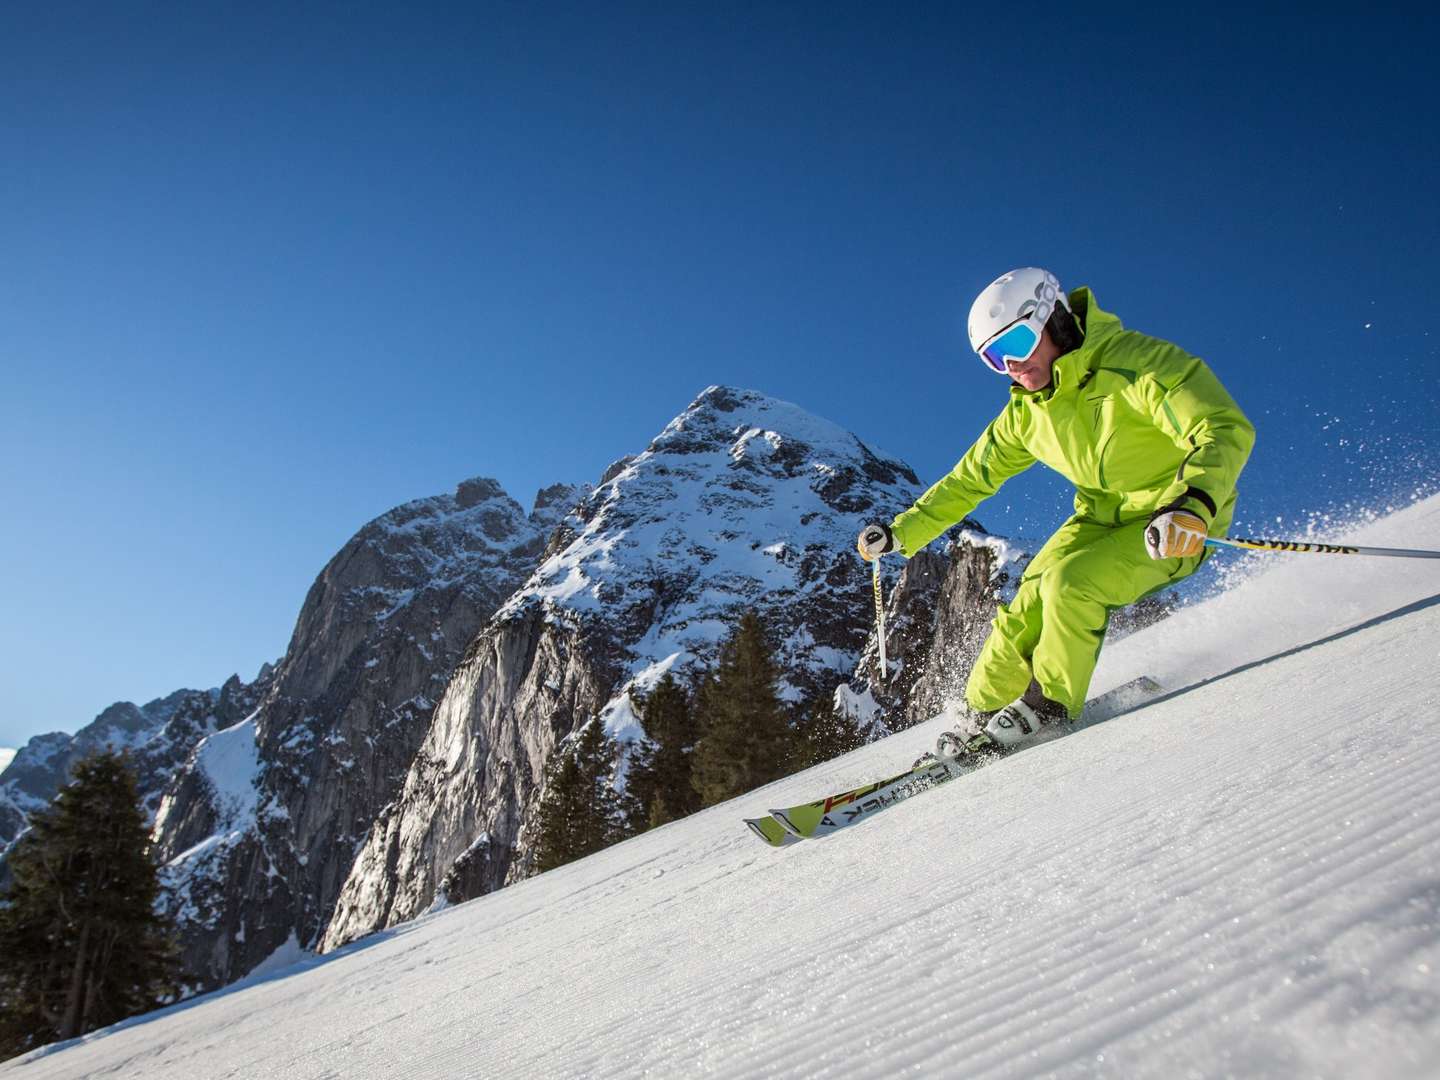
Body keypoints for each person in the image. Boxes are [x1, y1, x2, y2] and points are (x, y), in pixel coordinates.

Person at [857, 267, 1254, 753]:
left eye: (1019, 343)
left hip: (1178, 520)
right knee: (1029, 599)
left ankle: (1048, 709)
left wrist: (1194, 504)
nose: (1014, 366)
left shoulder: (1135, 365)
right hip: (1100, 515)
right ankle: (976, 716)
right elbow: (969, 479)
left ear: (1056, 321)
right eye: (995, 359)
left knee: (1072, 586)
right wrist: (902, 533)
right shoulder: (1028, 414)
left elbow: (1222, 426)